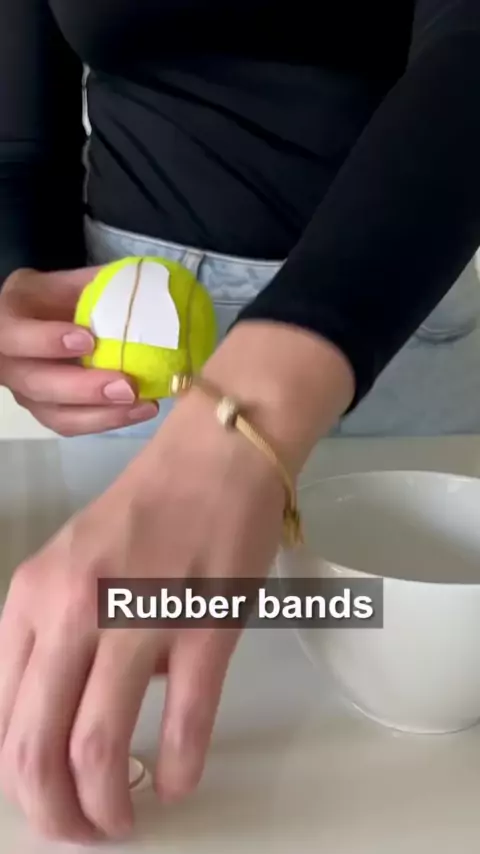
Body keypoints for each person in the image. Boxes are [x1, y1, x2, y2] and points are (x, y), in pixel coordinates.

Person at [0, 0, 478, 843]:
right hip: (130, 355)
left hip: (395, 317)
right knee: (189, 736)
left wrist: (243, 415)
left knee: (410, 762)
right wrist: (17, 280)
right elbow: (20, 147)